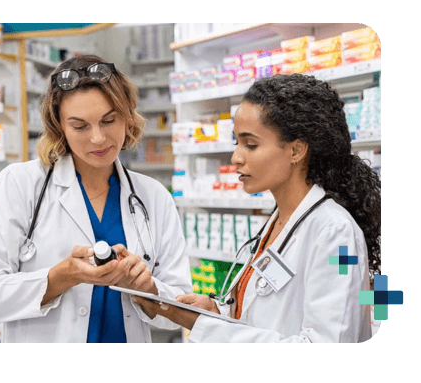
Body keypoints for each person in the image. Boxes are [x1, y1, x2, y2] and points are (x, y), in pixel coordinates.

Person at [133, 73, 381, 343]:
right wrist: (216, 311)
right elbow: (266, 314)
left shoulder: (336, 234)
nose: (236, 157)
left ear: (296, 150)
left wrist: (208, 328)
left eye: (251, 145)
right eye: (236, 143)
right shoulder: (279, 220)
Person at [0, 54, 192, 343]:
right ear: (59, 126)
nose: (98, 138)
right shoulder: (19, 185)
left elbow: (179, 309)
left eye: (109, 120)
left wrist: (149, 289)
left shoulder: (153, 197)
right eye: (80, 126)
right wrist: (60, 277)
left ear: (128, 116)